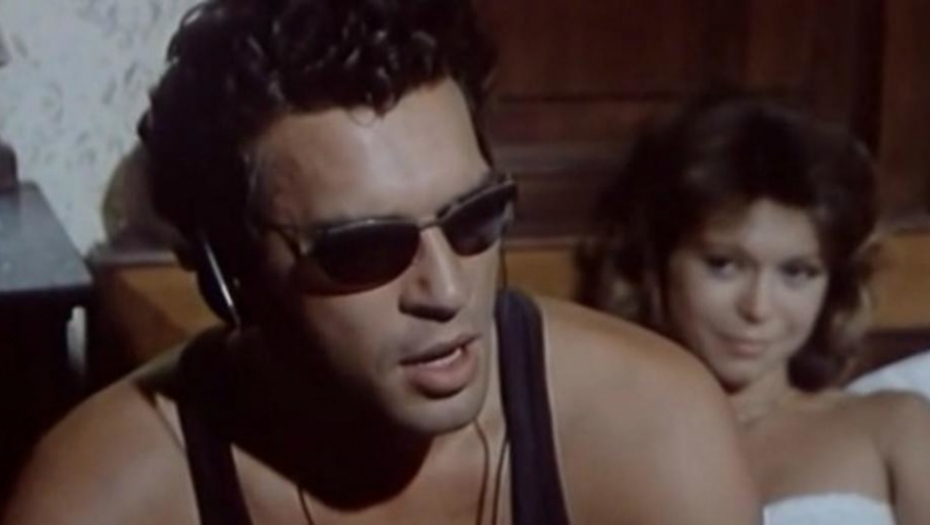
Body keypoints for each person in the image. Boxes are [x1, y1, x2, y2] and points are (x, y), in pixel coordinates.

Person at [2, 1, 760, 524]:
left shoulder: (653, 429)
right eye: (364, 248)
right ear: (228, 276)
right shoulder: (101, 499)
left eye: (474, 217)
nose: (447, 288)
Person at [587, 95, 930, 524]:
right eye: (723, 265)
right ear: (656, 264)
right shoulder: (601, 451)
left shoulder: (891, 427)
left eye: (797, 272)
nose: (758, 308)